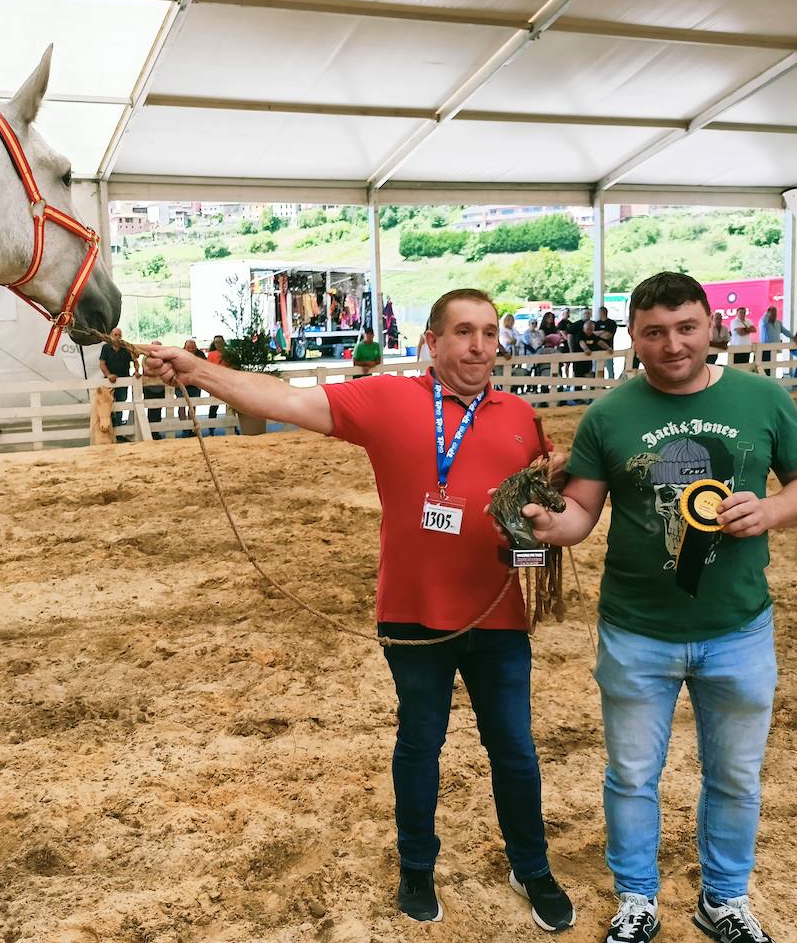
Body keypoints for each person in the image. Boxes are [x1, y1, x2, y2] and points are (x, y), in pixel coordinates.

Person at [144, 289, 575, 932]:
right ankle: (416, 867)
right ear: (432, 342)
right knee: (419, 745)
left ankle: (531, 866)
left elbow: (543, 505)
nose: (479, 345)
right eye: (462, 332)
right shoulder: (387, 397)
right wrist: (198, 368)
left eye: (488, 332)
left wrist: (550, 513)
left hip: (498, 617)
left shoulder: (520, 415)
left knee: (514, 748)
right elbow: (286, 401)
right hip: (411, 615)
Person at [517, 272, 797, 943]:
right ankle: (636, 898)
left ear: (711, 326)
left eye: (686, 327)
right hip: (637, 630)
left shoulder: (763, 397)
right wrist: (549, 526)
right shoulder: (609, 415)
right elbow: (581, 512)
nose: (672, 344)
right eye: (654, 331)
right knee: (632, 775)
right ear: (631, 334)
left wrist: (771, 508)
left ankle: (724, 899)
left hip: (739, 627)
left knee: (736, 774)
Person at [98, 328, 135, 434]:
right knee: (108, 405)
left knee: (121, 404)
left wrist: (137, 371)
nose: (117, 337)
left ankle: (119, 431)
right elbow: (102, 363)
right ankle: (109, 430)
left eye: (119, 335)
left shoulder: (126, 347)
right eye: (115, 335)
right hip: (109, 382)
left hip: (124, 381)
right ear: (111, 335)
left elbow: (135, 360)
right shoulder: (105, 348)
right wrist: (108, 375)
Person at [175, 339, 204, 437]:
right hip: (181, 384)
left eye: (193, 347)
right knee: (181, 405)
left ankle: (191, 427)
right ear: (185, 347)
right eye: (189, 347)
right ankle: (184, 427)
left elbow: (204, 366)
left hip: (195, 385)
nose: (191, 350)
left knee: (193, 407)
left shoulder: (200, 354)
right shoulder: (179, 354)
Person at [758, 306, 791, 377]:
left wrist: (794, 337)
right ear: (768, 313)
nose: (774, 314)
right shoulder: (764, 322)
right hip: (765, 349)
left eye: (775, 312)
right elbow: (764, 320)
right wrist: (767, 314)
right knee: (765, 367)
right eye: (772, 312)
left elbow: (785, 331)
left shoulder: (778, 322)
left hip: (775, 348)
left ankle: (772, 380)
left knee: (773, 366)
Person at [204, 335, 226, 434]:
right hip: (215, 381)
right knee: (214, 405)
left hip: (227, 381)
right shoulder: (211, 355)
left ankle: (233, 427)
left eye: (220, 342)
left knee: (231, 405)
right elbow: (208, 368)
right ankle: (211, 428)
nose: (218, 344)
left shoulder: (228, 354)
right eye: (216, 342)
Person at [594, 306, 619, 378]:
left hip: (608, 348)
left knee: (610, 368)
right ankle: (600, 385)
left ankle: (611, 384)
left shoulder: (611, 323)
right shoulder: (596, 323)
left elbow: (608, 336)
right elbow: (592, 334)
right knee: (599, 369)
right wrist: (602, 332)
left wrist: (598, 334)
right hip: (598, 349)